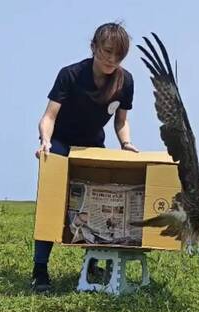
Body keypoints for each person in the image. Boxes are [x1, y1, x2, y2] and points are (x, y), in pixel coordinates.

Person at [32, 22, 138, 293]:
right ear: (93, 47)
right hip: (61, 142)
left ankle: (93, 265)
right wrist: (45, 142)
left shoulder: (125, 81)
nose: (111, 59)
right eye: (106, 51)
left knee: (100, 204)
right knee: (52, 202)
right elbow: (49, 116)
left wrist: (126, 143)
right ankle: (40, 269)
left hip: (92, 145)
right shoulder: (70, 75)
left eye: (118, 55)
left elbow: (120, 121)